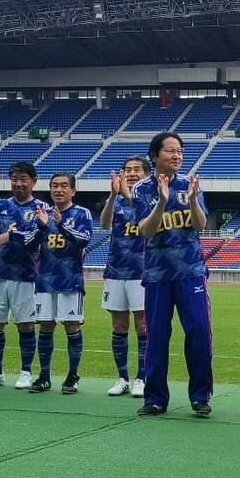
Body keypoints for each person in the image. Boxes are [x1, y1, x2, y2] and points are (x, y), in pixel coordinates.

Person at [134, 132, 213, 418]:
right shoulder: (142, 188)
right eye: (169, 151)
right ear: (154, 156)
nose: (176, 156)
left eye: (179, 151)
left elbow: (201, 224)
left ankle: (201, 396)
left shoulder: (189, 184)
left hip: (191, 272)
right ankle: (155, 398)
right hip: (157, 274)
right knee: (156, 336)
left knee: (199, 333)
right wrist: (161, 202)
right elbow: (146, 230)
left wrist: (192, 201)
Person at [0, 162, 46, 390]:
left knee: (26, 326)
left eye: (24, 179)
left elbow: (35, 237)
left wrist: (11, 234)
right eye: (15, 178)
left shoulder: (41, 208)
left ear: (34, 181)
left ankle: (26, 372)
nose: (19, 183)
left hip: (26, 276)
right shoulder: (0, 204)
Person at [30, 173, 92, 394]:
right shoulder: (41, 214)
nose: (59, 189)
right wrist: (40, 227)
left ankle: (72, 376)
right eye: (55, 185)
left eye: (64, 186)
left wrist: (61, 225)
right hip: (45, 281)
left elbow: (84, 240)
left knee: (72, 327)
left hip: (70, 281)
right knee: (45, 327)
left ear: (73, 191)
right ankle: (44, 376)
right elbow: (29, 243)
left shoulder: (82, 213)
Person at [99, 156, 149, 398]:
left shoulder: (151, 198)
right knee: (118, 325)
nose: (130, 174)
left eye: (136, 170)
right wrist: (111, 196)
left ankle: (142, 377)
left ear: (146, 174)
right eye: (127, 170)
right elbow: (105, 223)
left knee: (143, 326)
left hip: (142, 272)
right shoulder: (116, 200)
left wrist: (130, 196)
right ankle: (122, 377)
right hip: (116, 271)